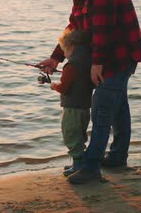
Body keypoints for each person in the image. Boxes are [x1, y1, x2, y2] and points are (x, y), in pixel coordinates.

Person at [37, 0, 141, 184]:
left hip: (119, 56)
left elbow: (103, 30)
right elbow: (74, 26)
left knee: (101, 108)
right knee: (118, 108)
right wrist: (56, 57)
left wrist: (96, 64)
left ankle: (90, 168)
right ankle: (117, 157)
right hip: (104, 56)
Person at [49, 29, 94, 177]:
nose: (65, 55)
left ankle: (78, 166)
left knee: (71, 135)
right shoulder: (88, 63)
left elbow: (64, 88)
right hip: (85, 107)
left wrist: (54, 86)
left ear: (71, 48)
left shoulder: (71, 66)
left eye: (64, 52)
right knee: (80, 135)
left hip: (72, 108)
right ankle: (78, 163)